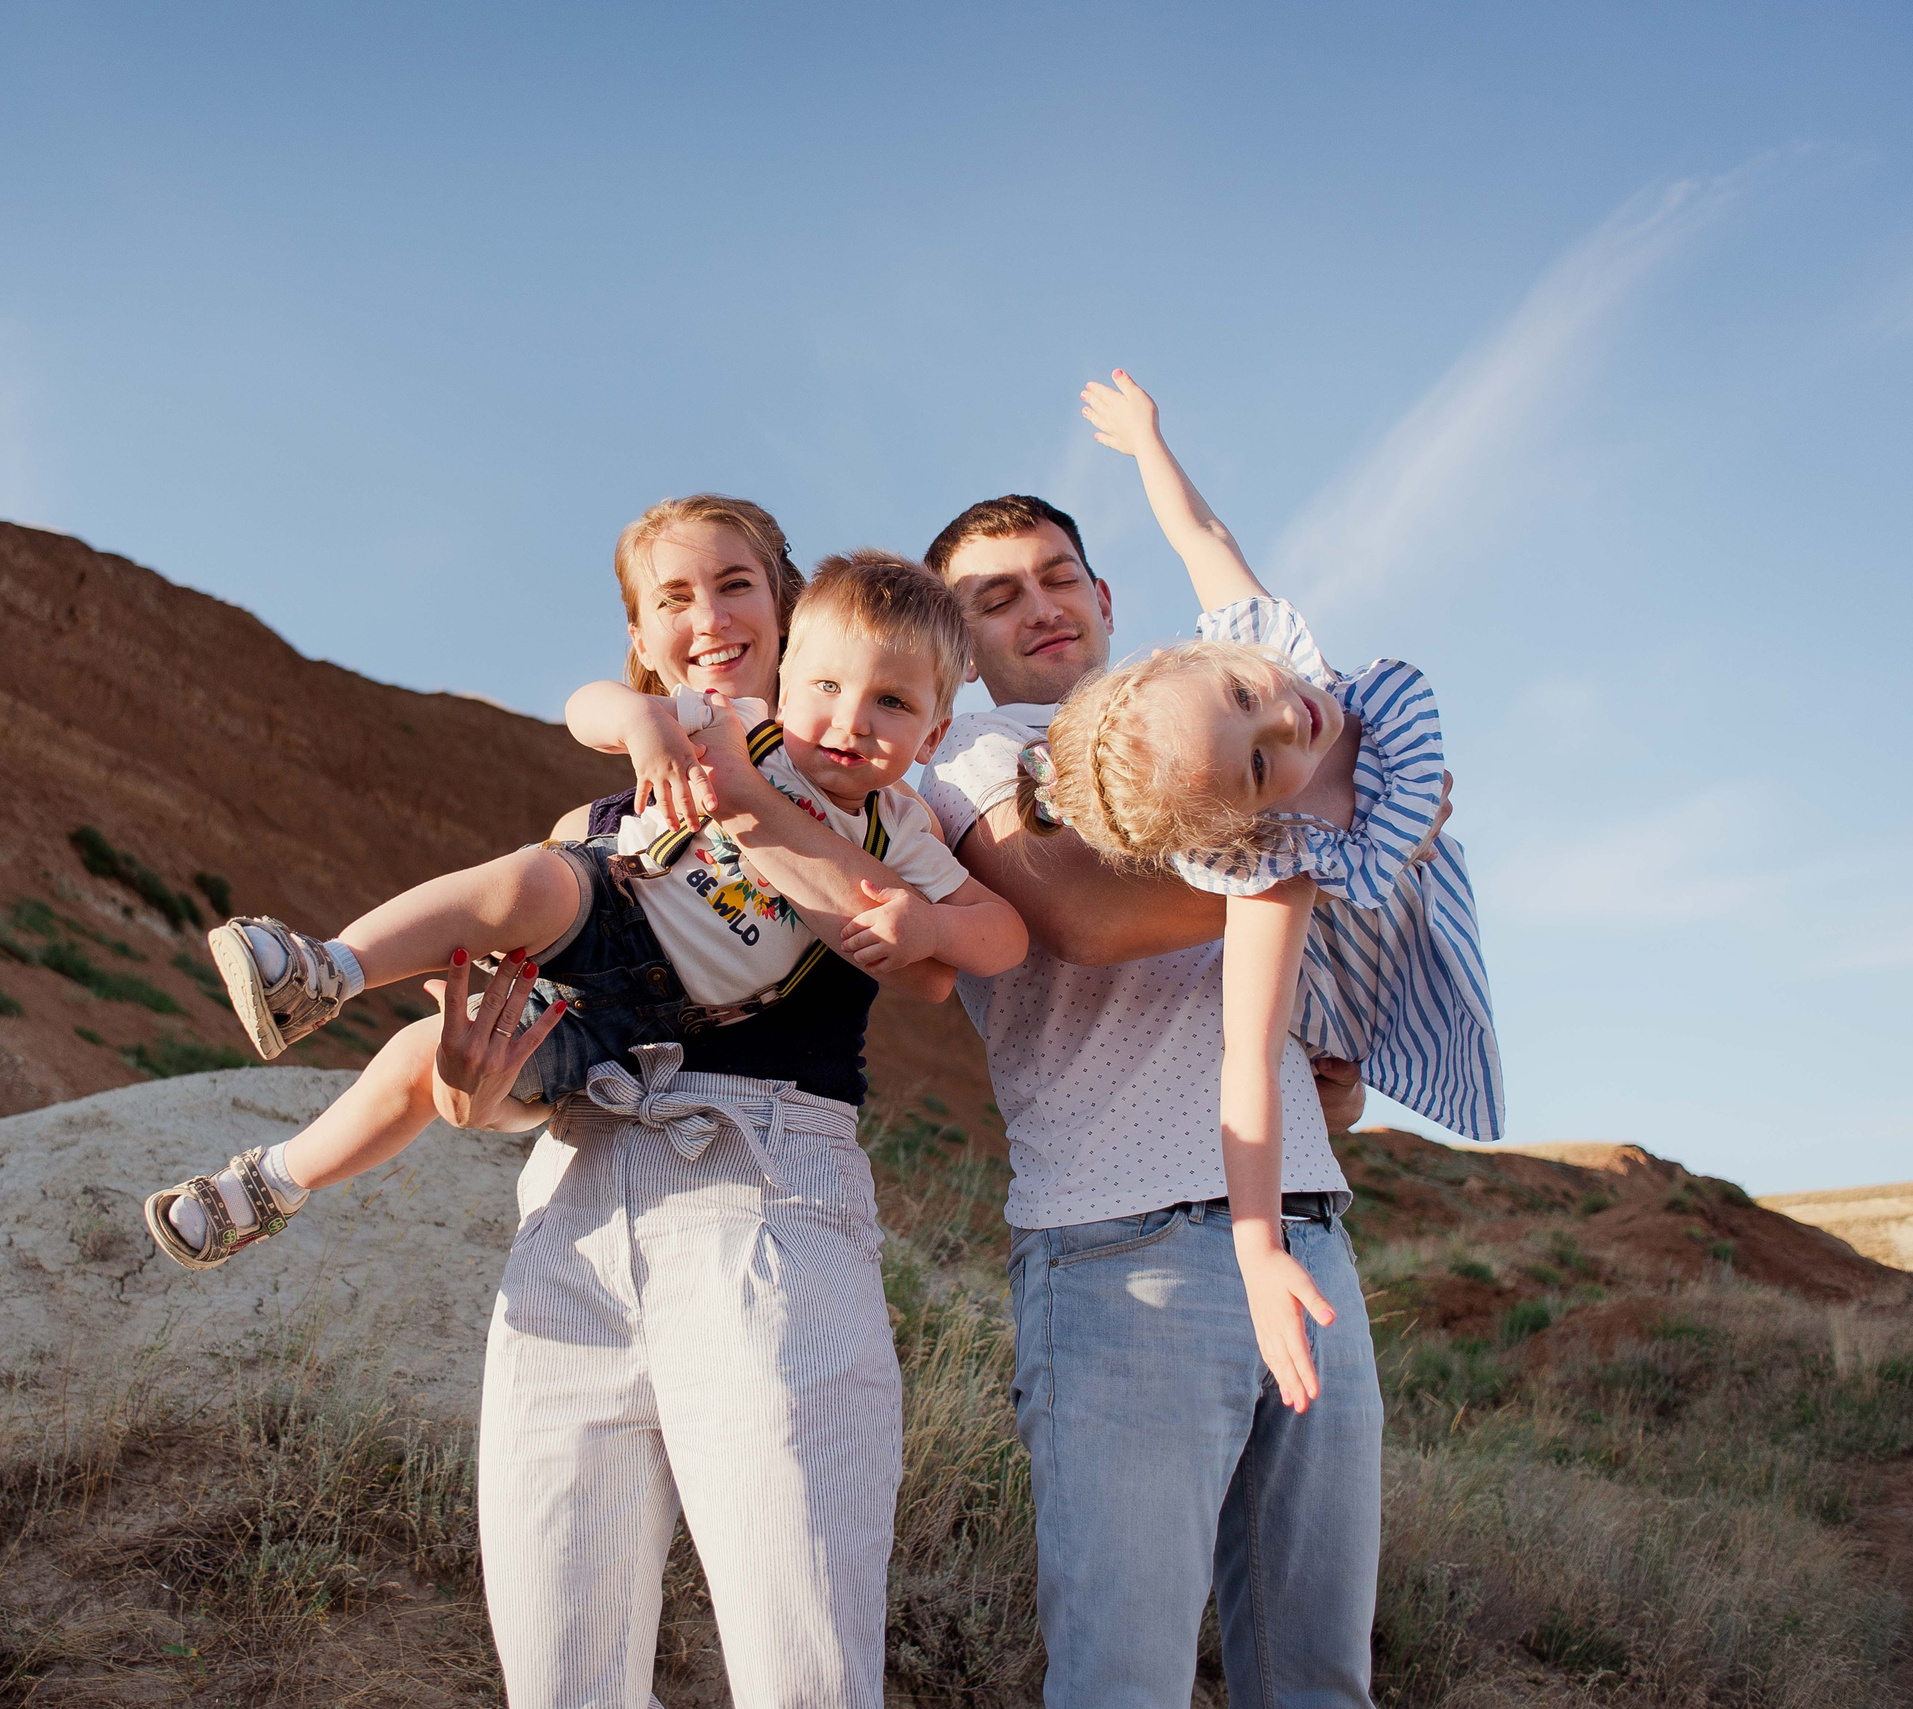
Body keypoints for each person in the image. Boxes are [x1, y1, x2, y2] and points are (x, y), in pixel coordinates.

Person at [140, 548, 1023, 1269]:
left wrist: (933, 925)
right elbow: (587, 705)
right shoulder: (736, 723)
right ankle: (326, 969)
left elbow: (1003, 935)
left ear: (934, 735)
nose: (850, 719)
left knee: (429, 1058)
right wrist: (641, 721)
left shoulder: (899, 831)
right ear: (789, 681)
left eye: (893, 703)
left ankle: (273, 1185)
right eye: (827, 686)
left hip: (648, 1020)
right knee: (527, 880)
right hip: (610, 899)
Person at [918, 388, 1396, 1708]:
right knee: (1121, 1679)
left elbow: (1250, 989)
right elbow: (1077, 915)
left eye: (1058, 575)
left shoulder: (1240, 753)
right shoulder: (974, 757)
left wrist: (1323, 1073)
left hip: (1304, 1229)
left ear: (1107, 593)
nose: (1038, 606)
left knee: (1316, 1677)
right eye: (995, 598)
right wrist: (1337, 848)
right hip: (1118, 1249)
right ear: (958, 643)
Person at [1010, 371, 1500, 1410]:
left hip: (1414, 888)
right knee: (1325, 1044)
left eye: (1244, 696)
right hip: (1366, 951)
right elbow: (1244, 1057)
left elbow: (1203, 531)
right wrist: (1257, 1246)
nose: (1291, 722)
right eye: (1259, 765)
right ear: (1248, 822)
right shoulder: (1280, 865)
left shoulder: (1267, 649)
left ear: (1213, 653)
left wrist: (1145, 439)